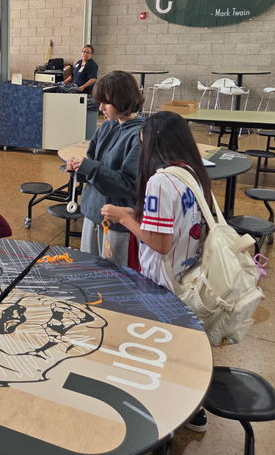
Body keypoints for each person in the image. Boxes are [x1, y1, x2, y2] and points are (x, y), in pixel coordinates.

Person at [101, 110, 212, 433]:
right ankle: (195, 409)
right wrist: (132, 212)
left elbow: (160, 242)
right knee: (182, 348)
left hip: (163, 282)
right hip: (189, 270)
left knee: (165, 352)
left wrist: (123, 219)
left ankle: (169, 413)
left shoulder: (160, 181)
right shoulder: (190, 172)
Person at [65, 71, 143, 266]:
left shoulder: (140, 135)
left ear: (122, 100)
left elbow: (128, 184)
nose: (100, 108)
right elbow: (92, 160)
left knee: (115, 278)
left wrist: (90, 168)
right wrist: (78, 169)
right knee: (90, 271)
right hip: (93, 213)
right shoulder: (107, 126)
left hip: (118, 223)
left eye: (105, 103)